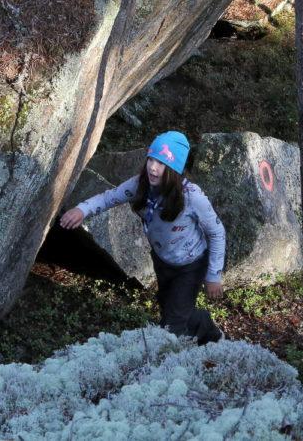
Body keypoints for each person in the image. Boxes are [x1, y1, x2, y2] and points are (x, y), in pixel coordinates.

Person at [59, 131, 226, 345]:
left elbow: (216, 232)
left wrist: (213, 275)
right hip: (162, 261)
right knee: (169, 307)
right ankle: (206, 327)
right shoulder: (140, 185)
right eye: (151, 159)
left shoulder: (192, 196)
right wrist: (82, 210)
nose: (153, 167)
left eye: (162, 163)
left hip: (191, 266)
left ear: (174, 169)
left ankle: (167, 369)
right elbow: (110, 197)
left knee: (171, 327)